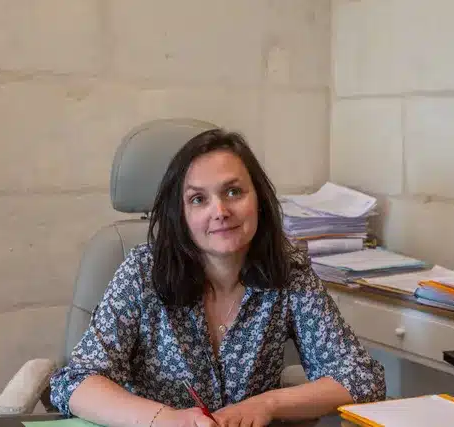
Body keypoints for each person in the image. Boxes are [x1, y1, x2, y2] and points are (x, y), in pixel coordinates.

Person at [49, 128, 386, 427]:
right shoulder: (142, 272)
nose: (220, 211)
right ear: (181, 214)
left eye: (233, 192)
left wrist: (268, 404)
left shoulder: (289, 273)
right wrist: (163, 420)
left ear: (259, 200)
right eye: (198, 199)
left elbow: (362, 376)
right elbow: (75, 381)